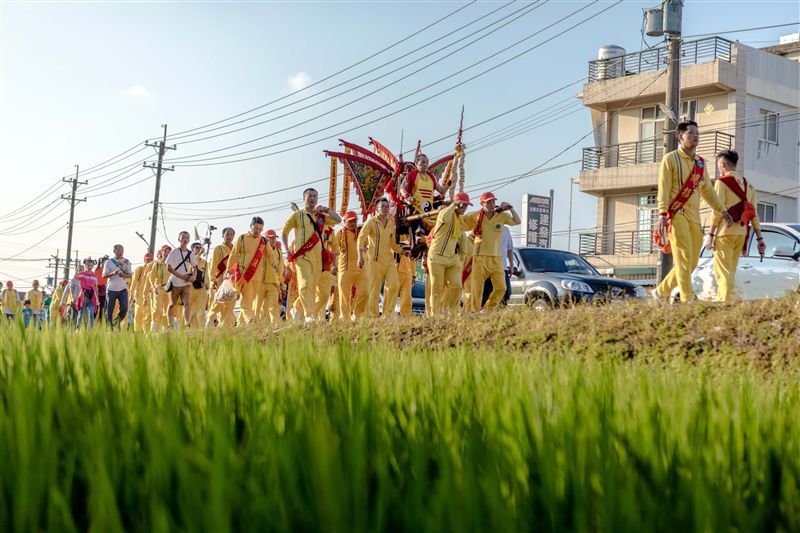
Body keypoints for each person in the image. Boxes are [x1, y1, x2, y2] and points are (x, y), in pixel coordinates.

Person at [653, 121, 733, 303]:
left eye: (697, 133)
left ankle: (660, 292)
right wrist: (663, 213)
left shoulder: (700, 163)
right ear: (680, 137)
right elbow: (663, 188)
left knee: (693, 262)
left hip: (695, 218)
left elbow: (709, 191)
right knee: (682, 258)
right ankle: (688, 298)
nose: (695, 136)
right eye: (691, 133)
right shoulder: (670, 159)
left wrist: (722, 210)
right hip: (676, 215)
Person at [705, 149, 766, 302]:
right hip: (741, 233)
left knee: (723, 271)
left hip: (724, 233)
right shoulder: (749, 186)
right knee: (730, 271)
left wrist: (710, 235)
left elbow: (717, 210)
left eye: (719, 165)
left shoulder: (721, 182)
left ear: (723, 164)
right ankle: (726, 301)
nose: (719, 168)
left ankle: (726, 304)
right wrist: (759, 238)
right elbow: (753, 214)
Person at [282, 188, 341, 323]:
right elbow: (285, 232)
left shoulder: (321, 217)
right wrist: (286, 250)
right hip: (302, 256)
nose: (312, 198)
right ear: (304, 198)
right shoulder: (297, 215)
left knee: (322, 293)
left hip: (318, 259)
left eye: (315, 196)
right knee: (305, 284)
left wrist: (326, 209)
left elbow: (338, 219)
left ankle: (297, 308)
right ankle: (309, 315)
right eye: (310, 196)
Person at [461, 192, 521, 312]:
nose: (491, 204)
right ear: (482, 204)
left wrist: (511, 208)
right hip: (480, 257)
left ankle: (488, 309)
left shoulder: (501, 216)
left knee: (501, 287)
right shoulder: (475, 215)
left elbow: (517, 221)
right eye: (488, 202)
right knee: (477, 287)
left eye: (493, 201)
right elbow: (460, 222)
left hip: (496, 258)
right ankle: (473, 311)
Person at [358, 197, 406, 318]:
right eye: (382, 206)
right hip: (374, 260)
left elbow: (392, 244)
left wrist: (403, 251)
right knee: (374, 290)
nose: (385, 209)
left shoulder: (390, 224)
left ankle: (387, 315)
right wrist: (360, 257)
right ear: (377, 209)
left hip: (389, 260)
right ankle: (373, 317)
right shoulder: (371, 222)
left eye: (387, 206)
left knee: (394, 286)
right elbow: (361, 239)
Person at [426, 192, 472, 316]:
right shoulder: (445, 213)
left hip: (452, 259)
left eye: (466, 206)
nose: (464, 208)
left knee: (457, 286)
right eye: (462, 205)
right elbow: (443, 218)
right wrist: (453, 205)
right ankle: (434, 316)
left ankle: (448, 312)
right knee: (437, 289)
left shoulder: (460, 220)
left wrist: (460, 257)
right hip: (436, 257)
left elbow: (463, 238)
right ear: (456, 204)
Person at [228, 217, 269, 325]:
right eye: (255, 228)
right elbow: (234, 254)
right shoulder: (241, 238)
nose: (257, 231)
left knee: (250, 300)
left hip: (258, 276)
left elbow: (271, 255)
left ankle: (241, 325)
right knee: (246, 299)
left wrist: (274, 264)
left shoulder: (264, 241)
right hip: (244, 274)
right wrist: (228, 270)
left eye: (260, 229)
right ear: (251, 226)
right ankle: (250, 319)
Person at [335, 211, 368, 320]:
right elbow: (333, 250)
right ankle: (345, 319)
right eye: (350, 221)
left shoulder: (361, 233)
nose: (353, 223)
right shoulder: (339, 233)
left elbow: (369, 243)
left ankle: (357, 315)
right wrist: (332, 266)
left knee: (365, 292)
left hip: (361, 269)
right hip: (345, 269)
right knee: (344, 296)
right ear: (344, 222)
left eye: (354, 221)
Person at [165, 231, 196, 330]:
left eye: (187, 237)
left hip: (186, 283)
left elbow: (195, 267)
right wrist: (181, 276)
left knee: (187, 303)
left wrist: (193, 277)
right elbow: (168, 268)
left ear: (189, 240)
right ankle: (169, 324)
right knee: (171, 304)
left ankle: (187, 324)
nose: (185, 239)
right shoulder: (174, 252)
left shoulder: (190, 254)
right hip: (174, 282)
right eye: (183, 237)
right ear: (179, 239)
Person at [207, 227, 236, 327]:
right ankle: (210, 319)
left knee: (230, 304)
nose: (229, 236)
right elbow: (214, 265)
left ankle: (226, 326)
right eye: (227, 234)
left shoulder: (235, 249)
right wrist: (212, 279)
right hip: (220, 279)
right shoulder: (218, 248)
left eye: (231, 234)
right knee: (219, 301)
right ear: (223, 235)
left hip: (232, 280)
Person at [102, 244, 133, 330]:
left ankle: (116, 322)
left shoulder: (126, 261)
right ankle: (109, 328)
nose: (120, 252)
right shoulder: (109, 262)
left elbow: (130, 275)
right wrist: (113, 273)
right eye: (118, 250)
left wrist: (124, 274)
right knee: (109, 310)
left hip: (123, 289)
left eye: (122, 250)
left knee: (124, 308)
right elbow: (104, 275)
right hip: (111, 289)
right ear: (114, 251)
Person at [482, 225, 514, 307]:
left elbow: (509, 249)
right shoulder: (485, 226)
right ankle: (483, 314)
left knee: (505, 293)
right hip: (486, 268)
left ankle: (499, 315)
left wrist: (511, 265)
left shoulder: (506, 229)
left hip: (502, 267)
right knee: (485, 294)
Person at [259, 229, 284, 324]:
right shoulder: (260, 250)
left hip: (273, 283)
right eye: (270, 238)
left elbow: (280, 270)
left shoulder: (279, 252)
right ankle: (259, 326)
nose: (273, 240)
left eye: (274, 238)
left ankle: (275, 325)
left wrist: (282, 284)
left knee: (274, 306)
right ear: (266, 239)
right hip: (260, 282)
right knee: (260, 307)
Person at [149, 246, 172, 332]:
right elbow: (151, 278)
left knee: (167, 309)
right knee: (157, 308)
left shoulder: (171, 264)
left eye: (169, 251)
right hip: (158, 289)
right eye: (165, 251)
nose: (167, 252)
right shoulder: (157, 264)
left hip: (169, 290)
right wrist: (154, 287)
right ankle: (154, 326)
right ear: (161, 252)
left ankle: (165, 328)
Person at [129, 253, 154, 333]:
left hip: (150, 296)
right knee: (138, 314)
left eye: (150, 260)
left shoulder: (154, 270)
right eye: (147, 260)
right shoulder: (139, 269)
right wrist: (131, 294)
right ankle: (137, 331)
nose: (149, 261)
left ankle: (145, 331)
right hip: (139, 296)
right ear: (144, 260)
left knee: (148, 314)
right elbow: (133, 282)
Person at [188, 242, 208, 328]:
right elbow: (191, 266)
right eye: (197, 247)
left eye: (200, 247)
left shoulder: (204, 262)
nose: (199, 249)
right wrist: (199, 254)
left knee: (201, 311)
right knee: (190, 311)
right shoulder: (187, 260)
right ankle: (188, 330)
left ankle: (202, 331)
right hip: (190, 289)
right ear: (192, 249)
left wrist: (207, 283)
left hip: (201, 289)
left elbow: (206, 274)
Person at [75, 257, 100, 330]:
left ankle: (91, 330)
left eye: (91, 266)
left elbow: (95, 287)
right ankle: (78, 329)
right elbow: (76, 277)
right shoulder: (82, 273)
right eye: (88, 265)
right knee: (81, 315)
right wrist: (78, 267)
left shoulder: (94, 275)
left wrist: (97, 298)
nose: (90, 267)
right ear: (85, 265)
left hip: (91, 297)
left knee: (92, 314)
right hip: (83, 296)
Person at [95, 257, 109, 323]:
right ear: (101, 262)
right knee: (97, 308)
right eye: (104, 262)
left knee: (104, 309)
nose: (106, 263)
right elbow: (96, 282)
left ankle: (102, 323)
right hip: (98, 291)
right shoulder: (97, 270)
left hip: (107, 291)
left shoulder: (109, 271)